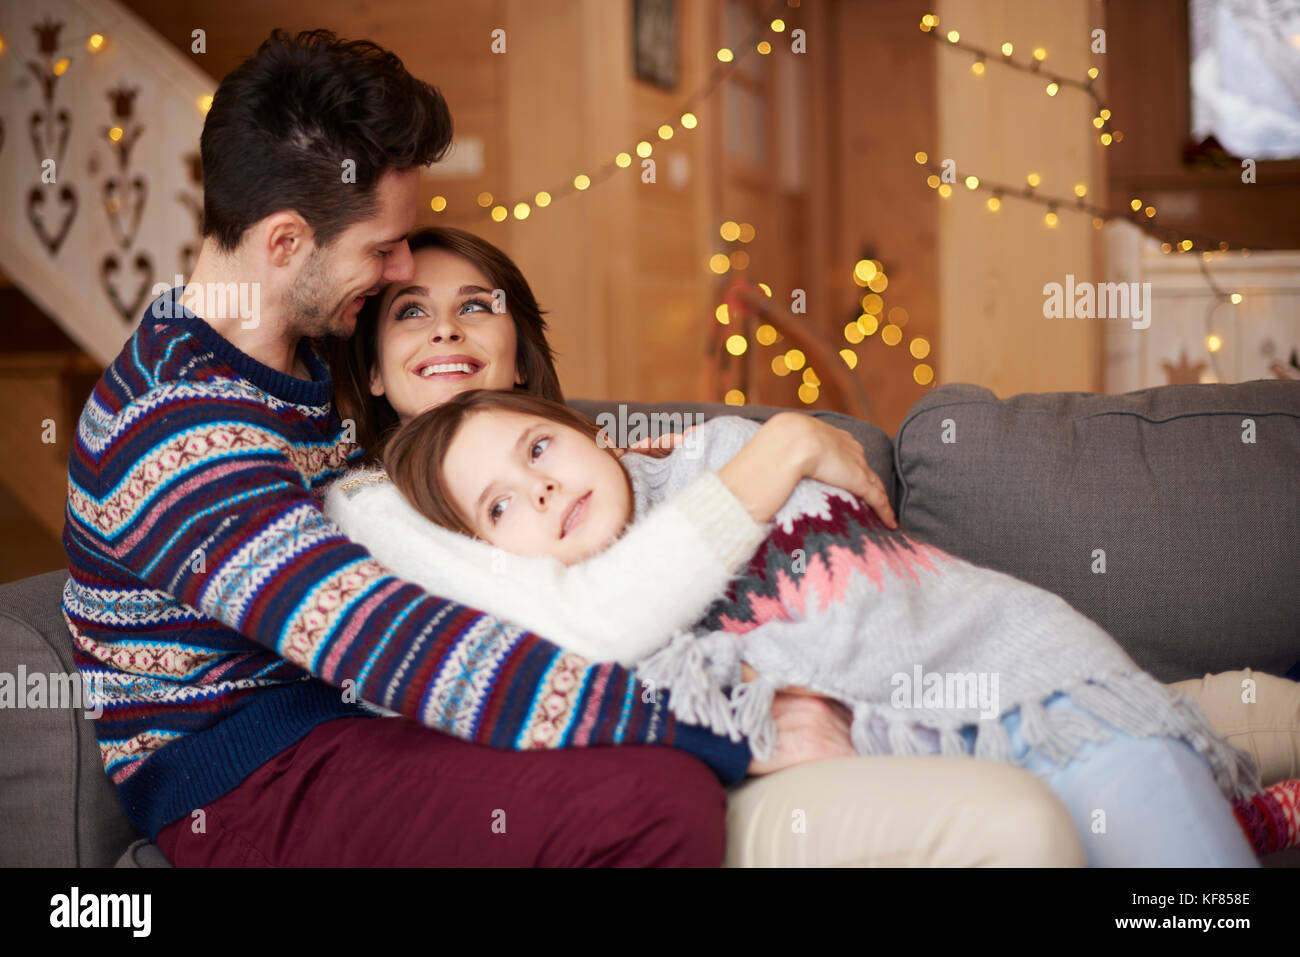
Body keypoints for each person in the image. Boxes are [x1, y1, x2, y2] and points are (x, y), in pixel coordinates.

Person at [62, 29, 908, 868]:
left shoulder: (305, 356)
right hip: (248, 778)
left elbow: (448, 449)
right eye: (380, 247)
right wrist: (724, 726)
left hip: (352, 722)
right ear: (285, 243)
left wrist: (622, 453)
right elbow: (372, 633)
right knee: (656, 797)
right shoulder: (170, 423)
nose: (400, 270)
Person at [378, 387, 1292, 866]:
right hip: (919, 778)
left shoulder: (728, 454)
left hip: (1032, 692)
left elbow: (868, 600)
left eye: (539, 448)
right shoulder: (579, 636)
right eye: (500, 507)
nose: (538, 486)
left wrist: (788, 690)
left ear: (586, 433)